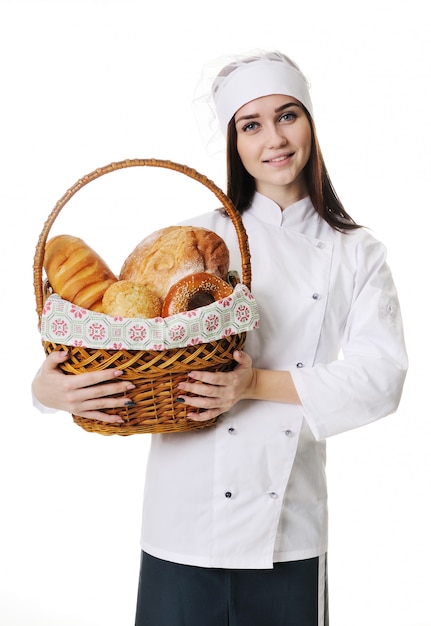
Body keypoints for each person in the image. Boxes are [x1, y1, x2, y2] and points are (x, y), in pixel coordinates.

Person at [32, 50, 408, 626]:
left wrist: (252, 383)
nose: (274, 139)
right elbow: (121, 340)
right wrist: (47, 391)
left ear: (311, 122)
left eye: (288, 116)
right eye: (250, 125)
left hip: (288, 531)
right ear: (235, 144)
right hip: (181, 520)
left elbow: (380, 378)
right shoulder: (195, 239)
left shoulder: (356, 252)